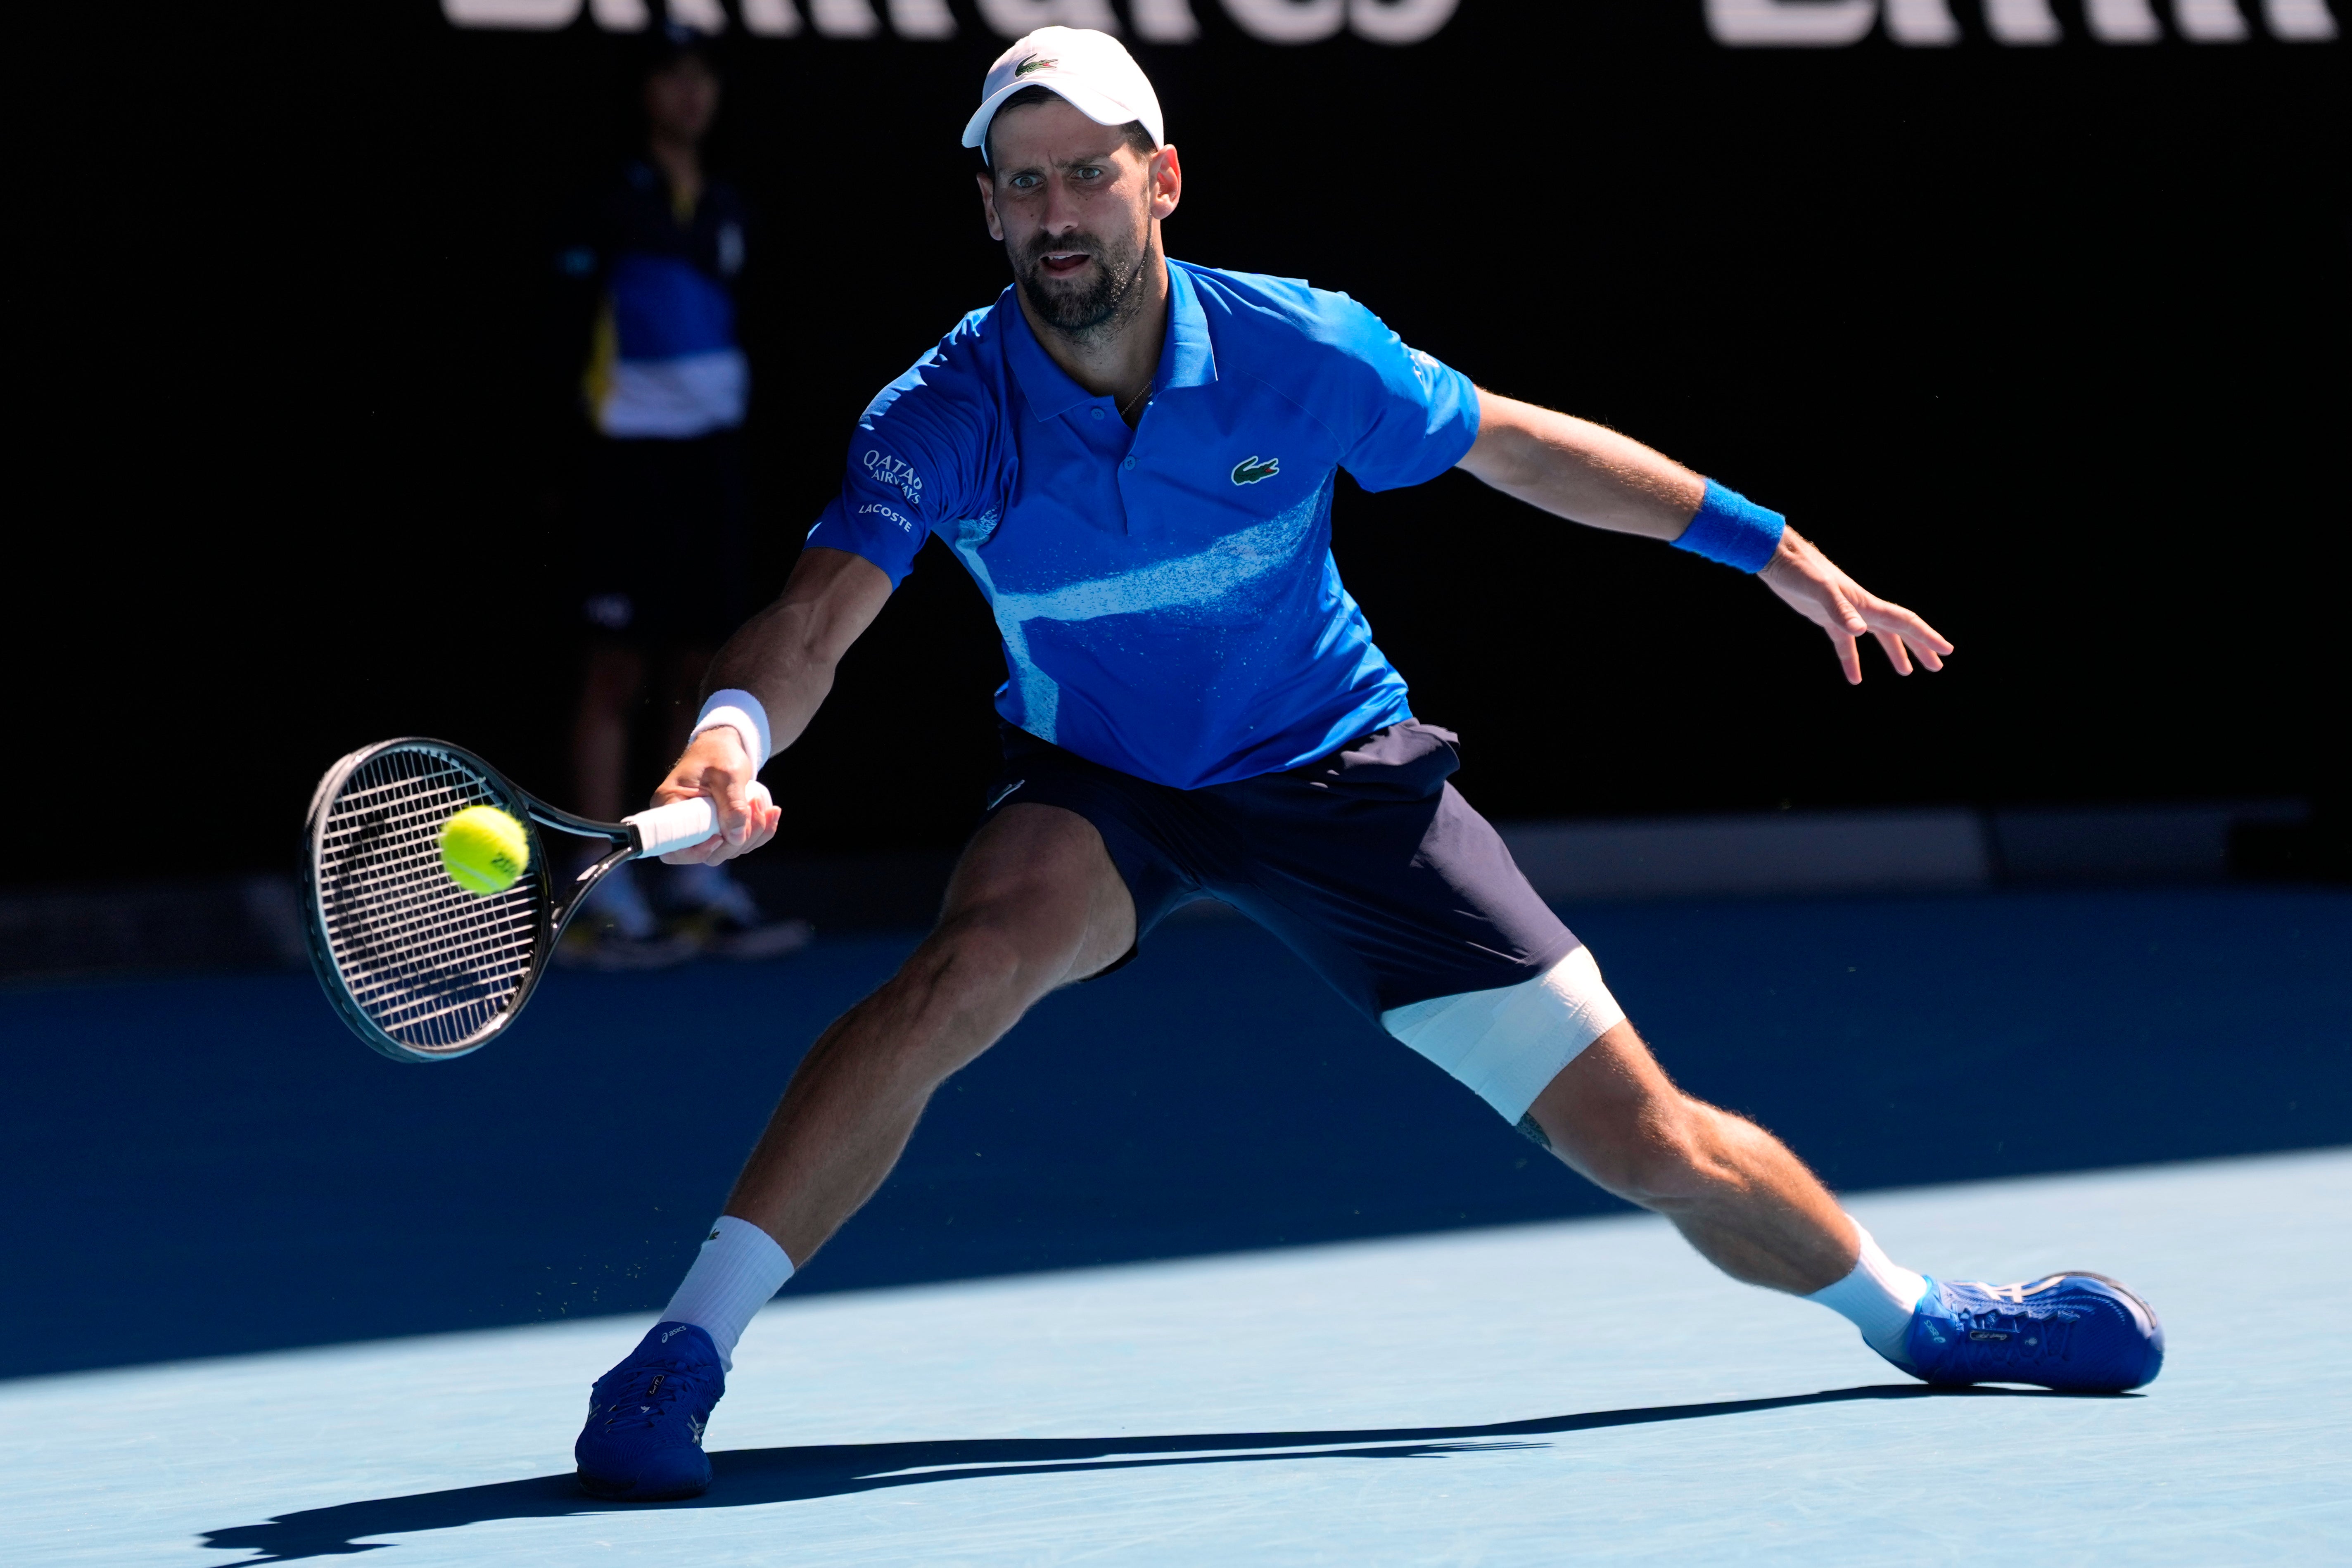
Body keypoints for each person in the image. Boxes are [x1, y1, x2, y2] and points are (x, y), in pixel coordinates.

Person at [572, 28, 2163, 1502]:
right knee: (956, 975)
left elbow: (1519, 443)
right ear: (988, 209)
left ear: (1161, 178)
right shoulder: (945, 408)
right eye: (1025, 180)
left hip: (1337, 771)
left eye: (1088, 171)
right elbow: (811, 617)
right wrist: (729, 738)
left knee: (1649, 1139)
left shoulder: (1298, 347)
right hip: (1103, 784)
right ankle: (680, 1351)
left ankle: (1925, 1314)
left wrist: (1768, 548)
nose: (1059, 211)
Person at [551, 26, 804, 967]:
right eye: (673, 77)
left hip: (712, 463)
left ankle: (694, 871)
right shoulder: (606, 204)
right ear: (646, 92)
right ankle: (602, 884)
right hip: (623, 462)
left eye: (704, 78)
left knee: (703, 670)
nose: (690, 96)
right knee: (614, 670)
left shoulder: (732, 207)